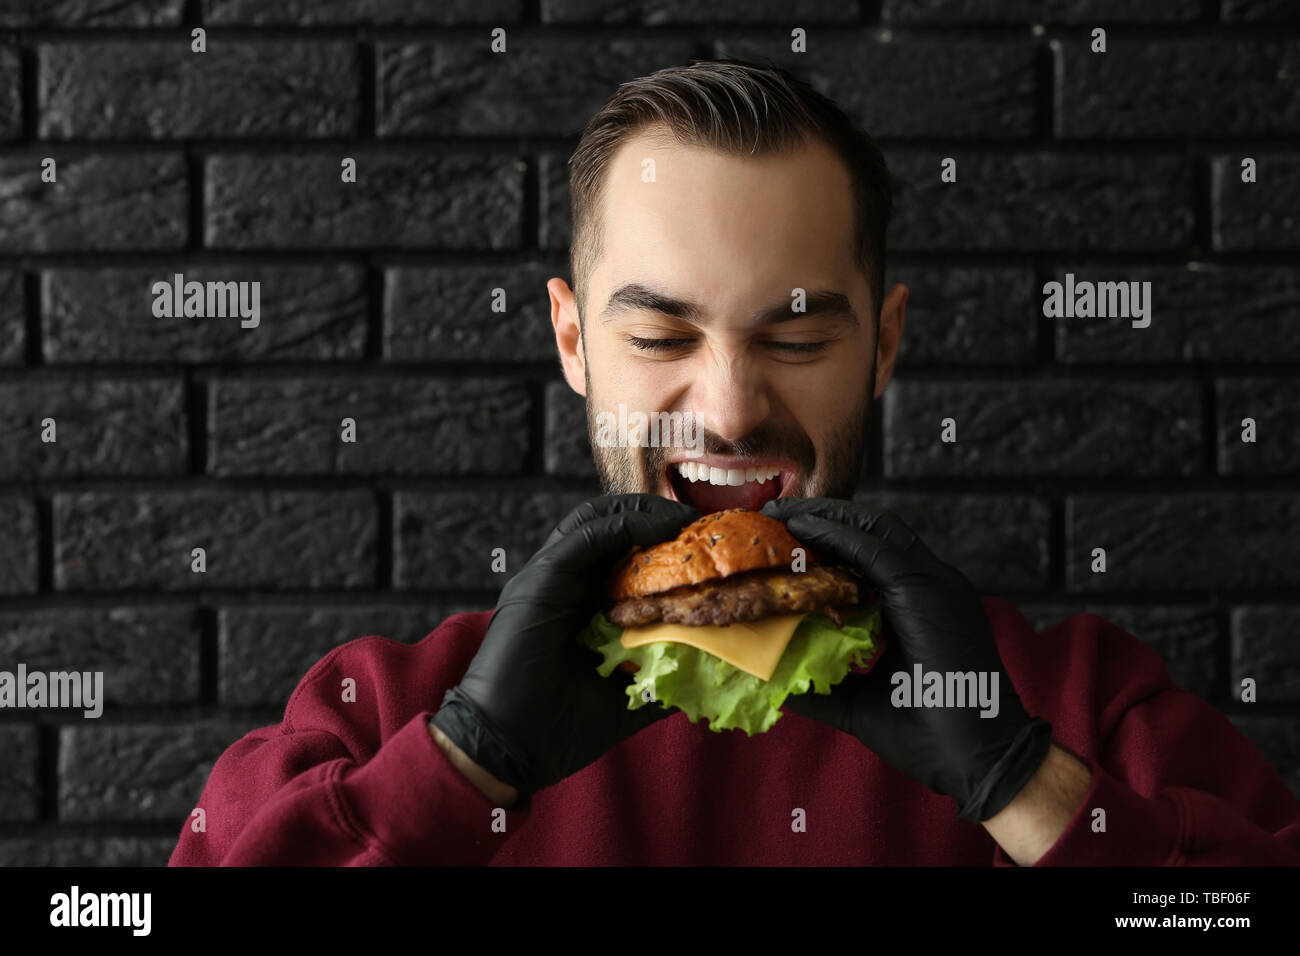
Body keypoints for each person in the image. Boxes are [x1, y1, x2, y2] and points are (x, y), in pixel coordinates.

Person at [169, 58, 1300, 866]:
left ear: (884, 344)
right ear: (571, 342)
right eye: (659, 336)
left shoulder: (1083, 710)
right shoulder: (381, 713)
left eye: (797, 337)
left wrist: (1027, 787)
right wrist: (458, 769)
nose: (727, 407)